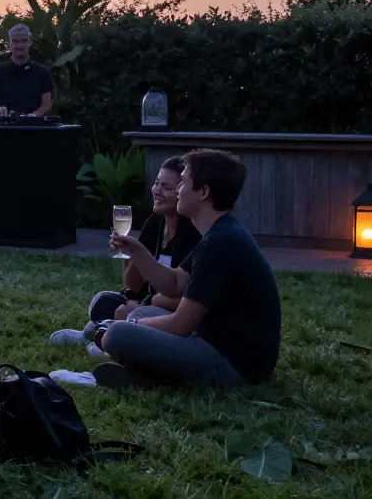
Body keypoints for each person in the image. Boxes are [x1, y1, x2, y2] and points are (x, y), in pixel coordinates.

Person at [94, 149, 282, 389]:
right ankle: (148, 376)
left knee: (118, 334)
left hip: (234, 365)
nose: (179, 190)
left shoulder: (221, 243)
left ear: (203, 193)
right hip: (211, 339)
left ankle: (152, 378)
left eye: (183, 182)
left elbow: (180, 325)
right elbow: (173, 283)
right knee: (138, 315)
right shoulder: (220, 232)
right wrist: (136, 251)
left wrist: (131, 329)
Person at [50, 156, 202, 354]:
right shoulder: (155, 223)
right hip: (144, 299)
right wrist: (130, 254)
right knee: (102, 302)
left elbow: (185, 297)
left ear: (183, 191)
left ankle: (102, 336)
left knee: (122, 311)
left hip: (170, 309)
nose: (156, 191)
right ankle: (94, 333)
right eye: (156, 183)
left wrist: (141, 304)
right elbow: (132, 285)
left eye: (166, 187)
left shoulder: (193, 234)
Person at [0, 24, 55, 116]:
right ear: (9, 44)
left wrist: (34, 115)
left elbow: (47, 104)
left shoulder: (43, 72)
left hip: (34, 127)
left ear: (30, 42)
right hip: (5, 127)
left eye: (23, 41)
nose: (19, 45)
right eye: (15, 41)